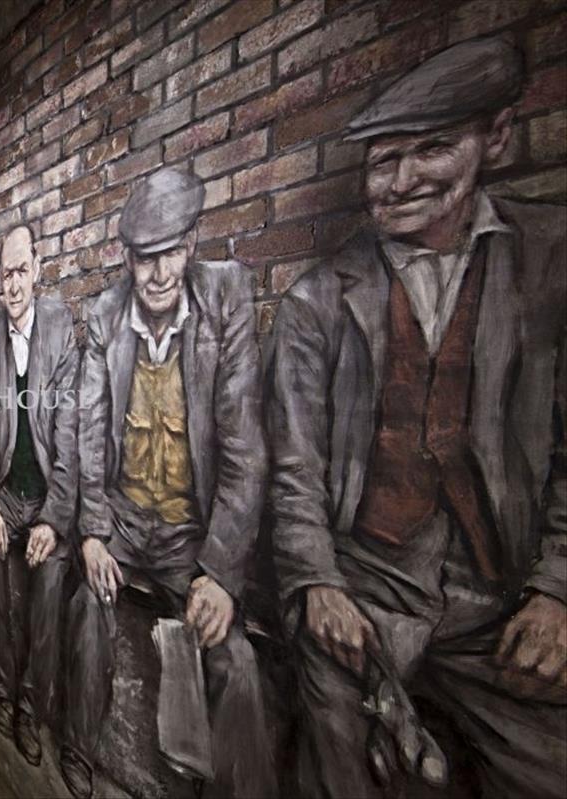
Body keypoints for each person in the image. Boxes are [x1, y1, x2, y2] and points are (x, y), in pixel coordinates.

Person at [267, 36, 567, 798]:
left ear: (494, 137)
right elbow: (294, 468)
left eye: (431, 149)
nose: (401, 182)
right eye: (383, 161)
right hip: (366, 584)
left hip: (499, 595)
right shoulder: (315, 300)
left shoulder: (551, 260)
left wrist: (556, 589)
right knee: (335, 747)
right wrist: (317, 582)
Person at [60, 167, 273, 798]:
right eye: (144, 258)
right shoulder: (105, 315)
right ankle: (77, 747)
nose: (157, 274)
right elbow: (89, 432)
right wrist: (93, 533)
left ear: (191, 245)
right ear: (127, 258)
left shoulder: (226, 299)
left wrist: (220, 572)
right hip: (125, 521)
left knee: (235, 658)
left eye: (171, 253)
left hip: (189, 535)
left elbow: (244, 450)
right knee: (86, 606)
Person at [0, 224, 79, 767]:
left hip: (47, 496)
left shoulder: (60, 330)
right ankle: (0, 689)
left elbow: (69, 436)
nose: (13, 285)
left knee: (49, 592)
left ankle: (30, 708)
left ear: (37, 268)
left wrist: (54, 520)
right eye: (5, 274)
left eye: (21, 271)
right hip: (8, 494)